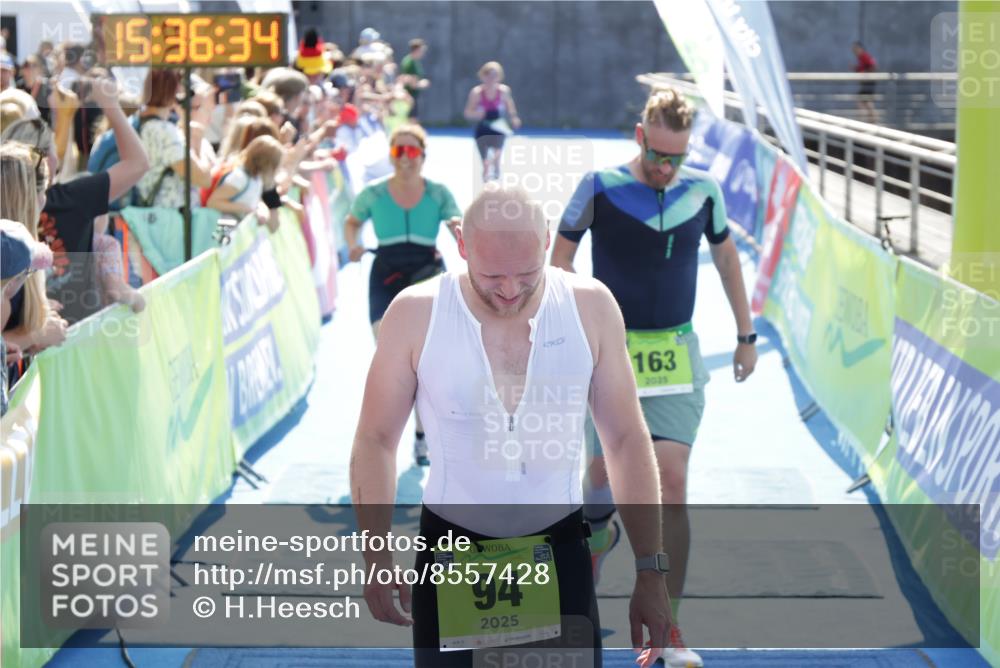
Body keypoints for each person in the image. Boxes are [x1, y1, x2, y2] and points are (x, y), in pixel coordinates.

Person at [350, 185, 672, 668]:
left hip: (559, 551)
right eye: (491, 274)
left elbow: (625, 439)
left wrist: (651, 568)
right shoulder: (415, 313)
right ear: (461, 245)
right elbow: (375, 439)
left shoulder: (591, 307)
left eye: (525, 274)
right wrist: (376, 557)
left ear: (547, 241)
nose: (508, 289)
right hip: (453, 553)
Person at [551, 87, 758, 668]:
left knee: (672, 480)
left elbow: (726, 259)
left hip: (674, 355)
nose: (668, 168)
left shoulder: (703, 191)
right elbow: (559, 261)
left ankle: (668, 627)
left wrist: (746, 337)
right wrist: (566, 332)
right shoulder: (599, 188)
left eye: (679, 157)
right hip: (608, 354)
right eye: (660, 154)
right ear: (640, 137)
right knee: (598, 477)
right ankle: (598, 534)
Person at [343, 123, 461, 466]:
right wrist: (353, 244)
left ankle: (422, 436)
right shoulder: (375, 193)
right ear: (391, 155)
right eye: (398, 151)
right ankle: (381, 440)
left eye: (412, 151)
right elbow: (352, 221)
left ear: (423, 156)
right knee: (391, 358)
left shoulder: (437, 192)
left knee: (425, 365)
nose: (405, 159)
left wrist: (459, 233)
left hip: (426, 275)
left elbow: (458, 223)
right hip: (386, 275)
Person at [3, 76, 150, 324]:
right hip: (68, 343)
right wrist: (110, 105)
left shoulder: (70, 197)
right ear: (48, 161)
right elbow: (138, 163)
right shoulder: (69, 198)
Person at [133, 68, 212, 209]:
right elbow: (203, 178)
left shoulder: (136, 123)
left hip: (149, 217)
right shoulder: (165, 132)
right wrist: (197, 139)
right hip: (169, 221)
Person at [463, 61, 521, 182]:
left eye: (494, 75)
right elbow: (467, 112)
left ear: (499, 77)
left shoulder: (504, 91)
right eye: (488, 75)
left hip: (498, 126)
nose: (491, 79)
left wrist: (514, 117)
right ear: (482, 76)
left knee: (497, 155)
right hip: (483, 127)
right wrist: (477, 114)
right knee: (485, 161)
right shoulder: (477, 93)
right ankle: (486, 174)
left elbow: (510, 106)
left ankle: (496, 171)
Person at [204, 135, 284, 219]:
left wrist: (260, 210)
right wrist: (246, 208)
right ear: (267, 162)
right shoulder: (239, 177)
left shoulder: (256, 178)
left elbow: (255, 201)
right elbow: (213, 203)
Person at [399, 39, 430, 121]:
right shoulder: (410, 62)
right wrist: (422, 84)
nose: (423, 53)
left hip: (413, 96)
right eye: (422, 50)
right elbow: (409, 82)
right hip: (409, 96)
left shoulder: (415, 62)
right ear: (417, 50)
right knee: (412, 121)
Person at [852, 41, 878, 124]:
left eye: (855, 49)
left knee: (864, 100)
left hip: (869, 82)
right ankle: (871, 120)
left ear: (860, 49)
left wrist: (864, 73)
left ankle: (869, 120)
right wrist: (857, 69)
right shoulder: (862, 57)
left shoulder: (864, 56)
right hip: (867, 82)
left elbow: (873, 66)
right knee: (865, 101)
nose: (854, 51)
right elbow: (865, 67)